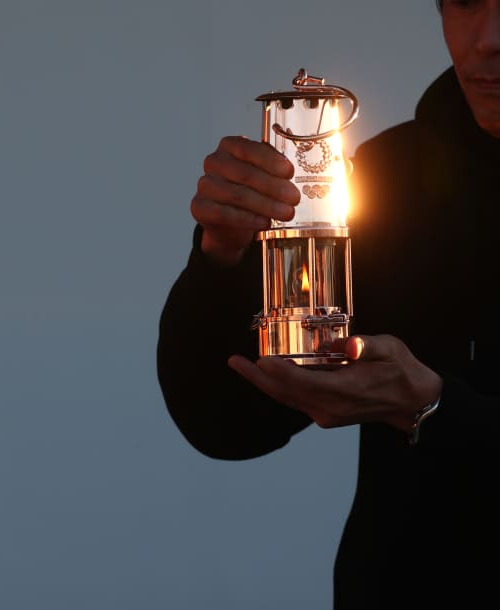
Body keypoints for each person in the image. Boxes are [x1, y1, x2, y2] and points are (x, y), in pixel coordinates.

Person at [157, 1, 500, 607]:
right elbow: (226, 424)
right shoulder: (393, 176)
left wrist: (435, 410)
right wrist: (223, 256)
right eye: (466, 2)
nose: (487, 40)